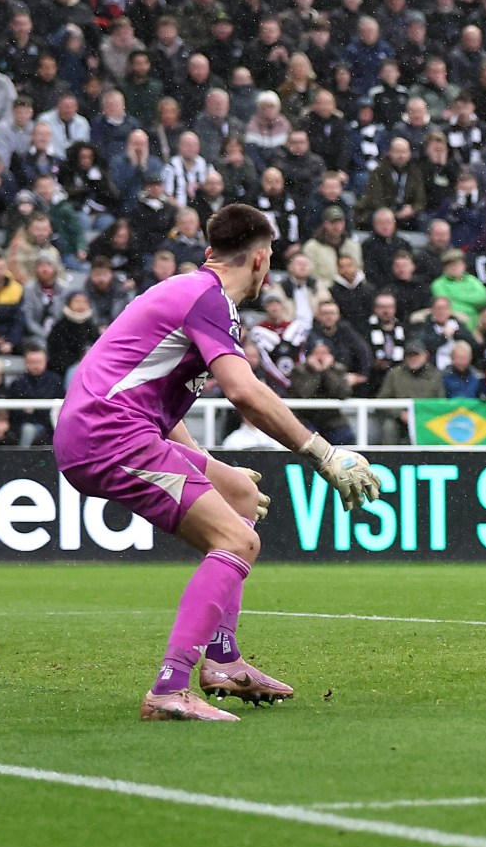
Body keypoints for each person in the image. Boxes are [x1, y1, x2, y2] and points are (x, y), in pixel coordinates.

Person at [53, 203, 380, 721]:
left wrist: (204, 461)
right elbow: (244, 393)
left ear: (210, 253)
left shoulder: (187, 290)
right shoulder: (209, 301)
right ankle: (169, 688)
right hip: (108, 436)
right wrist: (324, 453)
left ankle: (223, 661)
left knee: (241, 494)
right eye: (268, 259)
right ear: (259, 261)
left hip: (112, 427)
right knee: (238, 540)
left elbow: (156, 394)